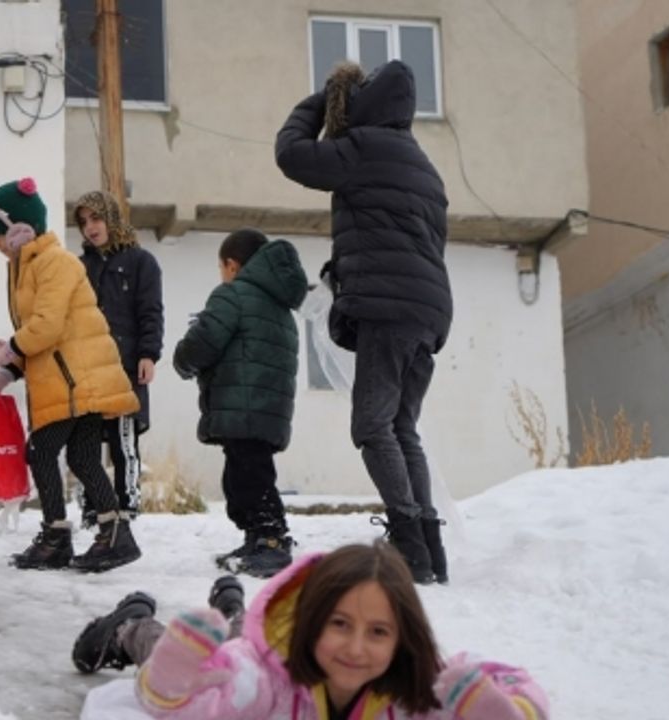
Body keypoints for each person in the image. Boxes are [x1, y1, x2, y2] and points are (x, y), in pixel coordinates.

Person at [275, 60, 453, 584]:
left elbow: (291, 155)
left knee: (373, 425)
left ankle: (408, 540)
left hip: (389, 307)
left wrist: (324, 98)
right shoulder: (423, 164)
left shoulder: (367, 147)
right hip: (428, 310)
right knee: (402, 426)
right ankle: (429, 548)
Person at [73, 542, 549, 720]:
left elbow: (514, 684)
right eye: (339, 624)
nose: (357, 648)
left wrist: (505, 714)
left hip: (261, 641)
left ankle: (233, 603)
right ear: (312, 618)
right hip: (245, 655)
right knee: (181, 648)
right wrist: (172, 678)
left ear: (403, 638)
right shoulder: (257, 676)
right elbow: (188, 707)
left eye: (379, 632)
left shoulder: (418, 691)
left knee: (235, 631)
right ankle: (130, 624)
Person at [0, 176, 142, 572]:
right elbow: (41, 336)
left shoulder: (56, 263)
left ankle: (56, 535)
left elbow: (46, 328)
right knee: (83, 457)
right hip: (68, 378)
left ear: (19, 230)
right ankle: (114, 533)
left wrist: (3, 353)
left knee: (41, 450)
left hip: (77, 380)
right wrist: (8, 372)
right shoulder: (28, 267)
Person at [173, 229, 307, 578]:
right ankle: (256, 539)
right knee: (245, 473)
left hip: (242, 402)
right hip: (267, 407)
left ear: (231, 265)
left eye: (221, 267)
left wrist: (183, 360)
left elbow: (204, 343)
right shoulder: (281, 308)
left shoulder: (232, 295)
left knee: (250, 476)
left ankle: (272, 539)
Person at [73, 190, 165, 527]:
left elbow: (150, 312)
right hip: (87, 368)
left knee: (123, 438)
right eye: (83, 222)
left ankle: (127, 505)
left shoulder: (142, 262)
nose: (90, 228)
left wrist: (148, 354)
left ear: (111, 218)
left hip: (125, 365)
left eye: (96, 219)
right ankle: (92, 505)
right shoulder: (80, 267)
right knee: (85, 440)